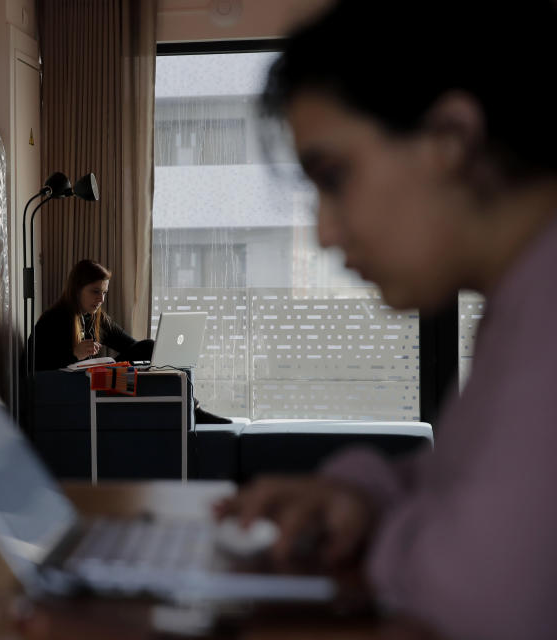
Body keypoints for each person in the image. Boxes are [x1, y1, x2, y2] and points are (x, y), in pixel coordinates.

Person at [211, 1, 557, 639]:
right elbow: (462, 489)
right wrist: (360, 497)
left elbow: (478, 599)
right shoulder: (518, 300)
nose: (323, 229)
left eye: (334, 176)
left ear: (450, 140)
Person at [32, 259, 230, 424]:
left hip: (93, 382)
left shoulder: (97, 319)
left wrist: (152, 360)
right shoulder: (53, 320)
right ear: (77, 289)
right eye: (95, 291)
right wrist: (73, 354)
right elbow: (35, 368)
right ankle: (190, 411)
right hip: (77, 388)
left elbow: (134, 347)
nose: (101, 299)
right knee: (147, 351)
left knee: (149, 351)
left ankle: (187, 409)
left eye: (104, 293)